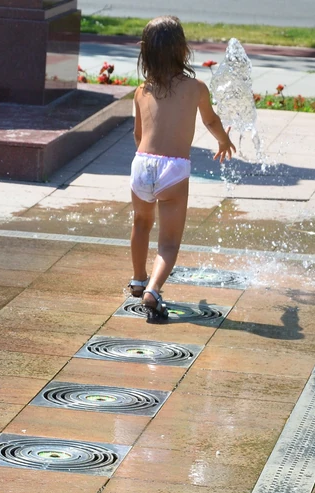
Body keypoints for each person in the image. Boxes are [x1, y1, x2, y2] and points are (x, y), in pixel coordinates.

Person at [127, 15, 236, 321]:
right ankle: (153, 289)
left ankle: (137, 279)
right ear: (183, 50)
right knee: (169, 241)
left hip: (142, 163)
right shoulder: (195, 87)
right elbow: (211, 120)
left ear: (145, 53)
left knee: (140, 224)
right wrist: (224, 141)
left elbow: (138, 135)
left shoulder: (141, 91)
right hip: (173, 169)